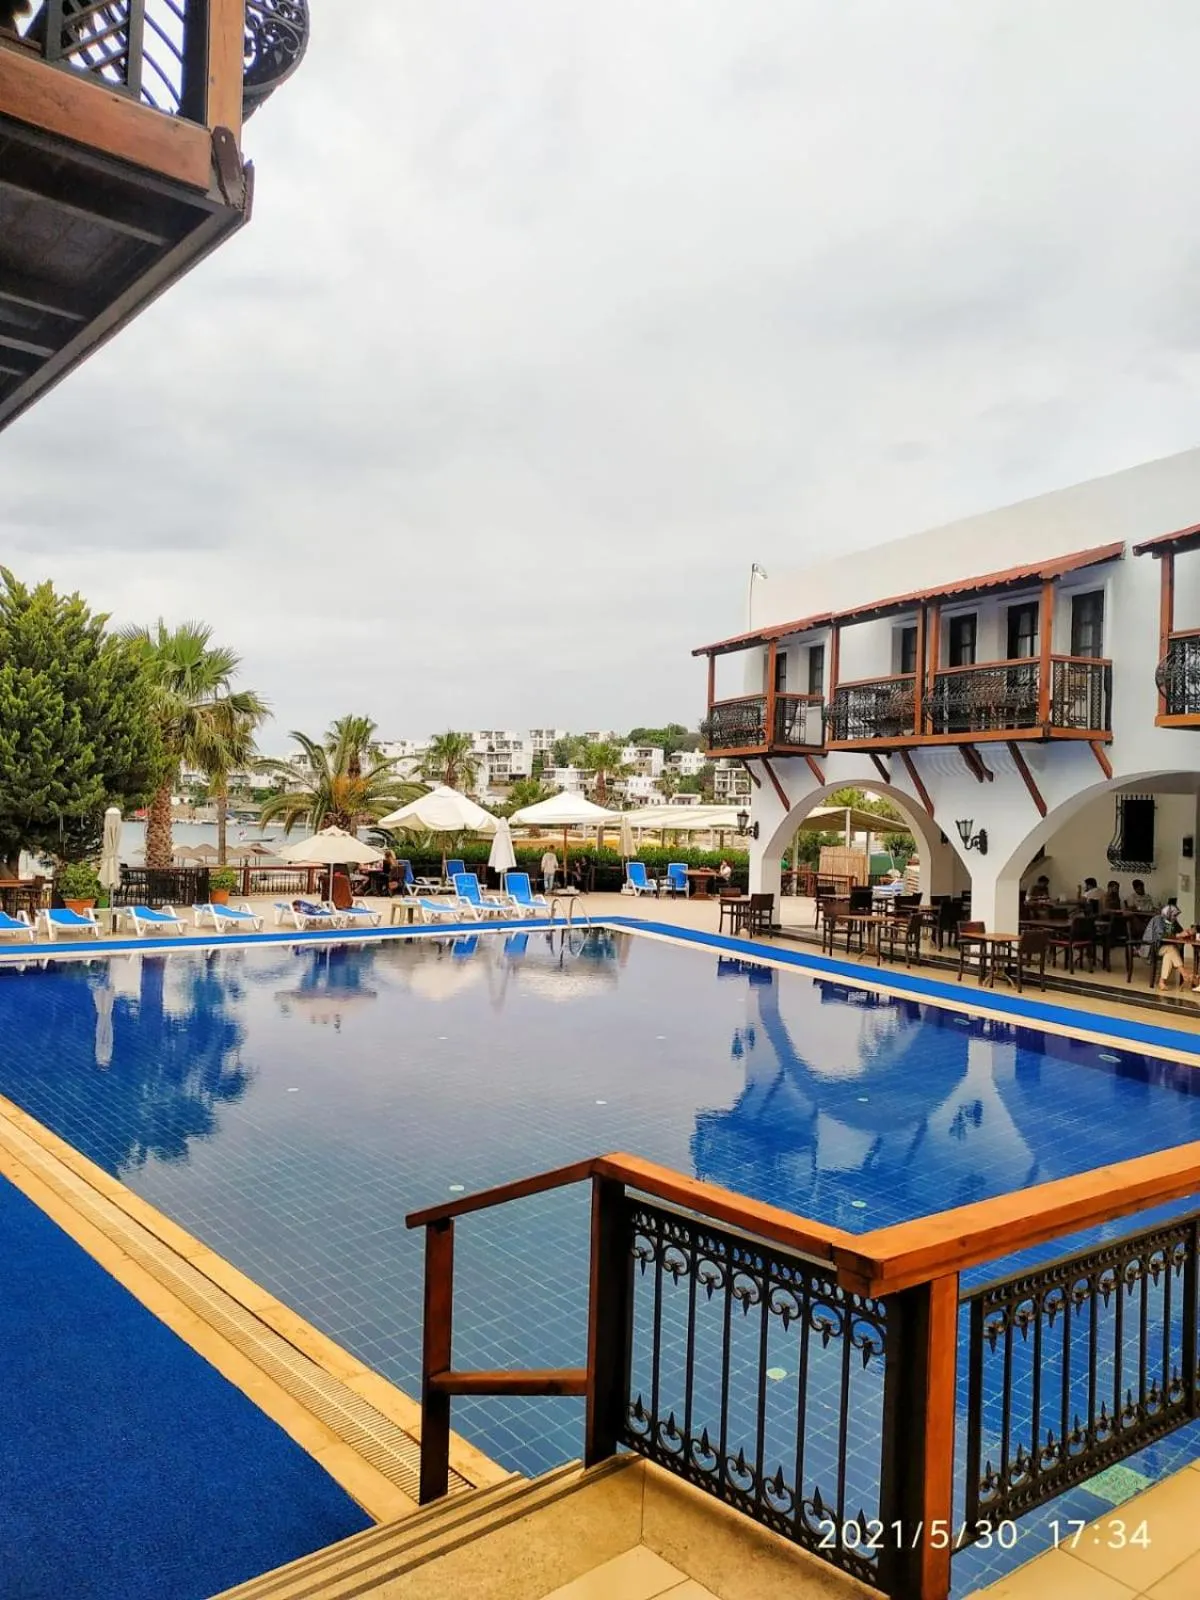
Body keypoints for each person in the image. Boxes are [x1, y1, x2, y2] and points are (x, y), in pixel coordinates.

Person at [1145, 899, 1187, 990]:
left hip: (1166, 948)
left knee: (1169, 953)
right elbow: (1161, 935)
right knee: (1171, 948)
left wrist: (1188, 932)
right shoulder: (1158, 919)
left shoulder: (1173, 922)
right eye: (1174, 915)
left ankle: (1162, 982)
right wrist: (1178, 935)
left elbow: (1180, 931)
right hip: (1154, 946)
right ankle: (1185, 974)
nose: (1175, 917)